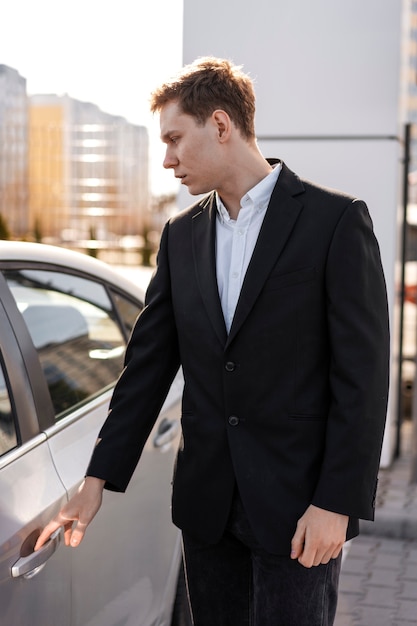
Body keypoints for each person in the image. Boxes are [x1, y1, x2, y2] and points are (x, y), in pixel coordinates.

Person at [36, 57, 390, 625]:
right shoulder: (181, 236)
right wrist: (96, 478)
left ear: (220, 125)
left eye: (175, 138)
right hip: (208, 509)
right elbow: (147, 368)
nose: (166, 159)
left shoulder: (335, 221)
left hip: (300, 511)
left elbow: (363, 379)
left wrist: (337, 503)